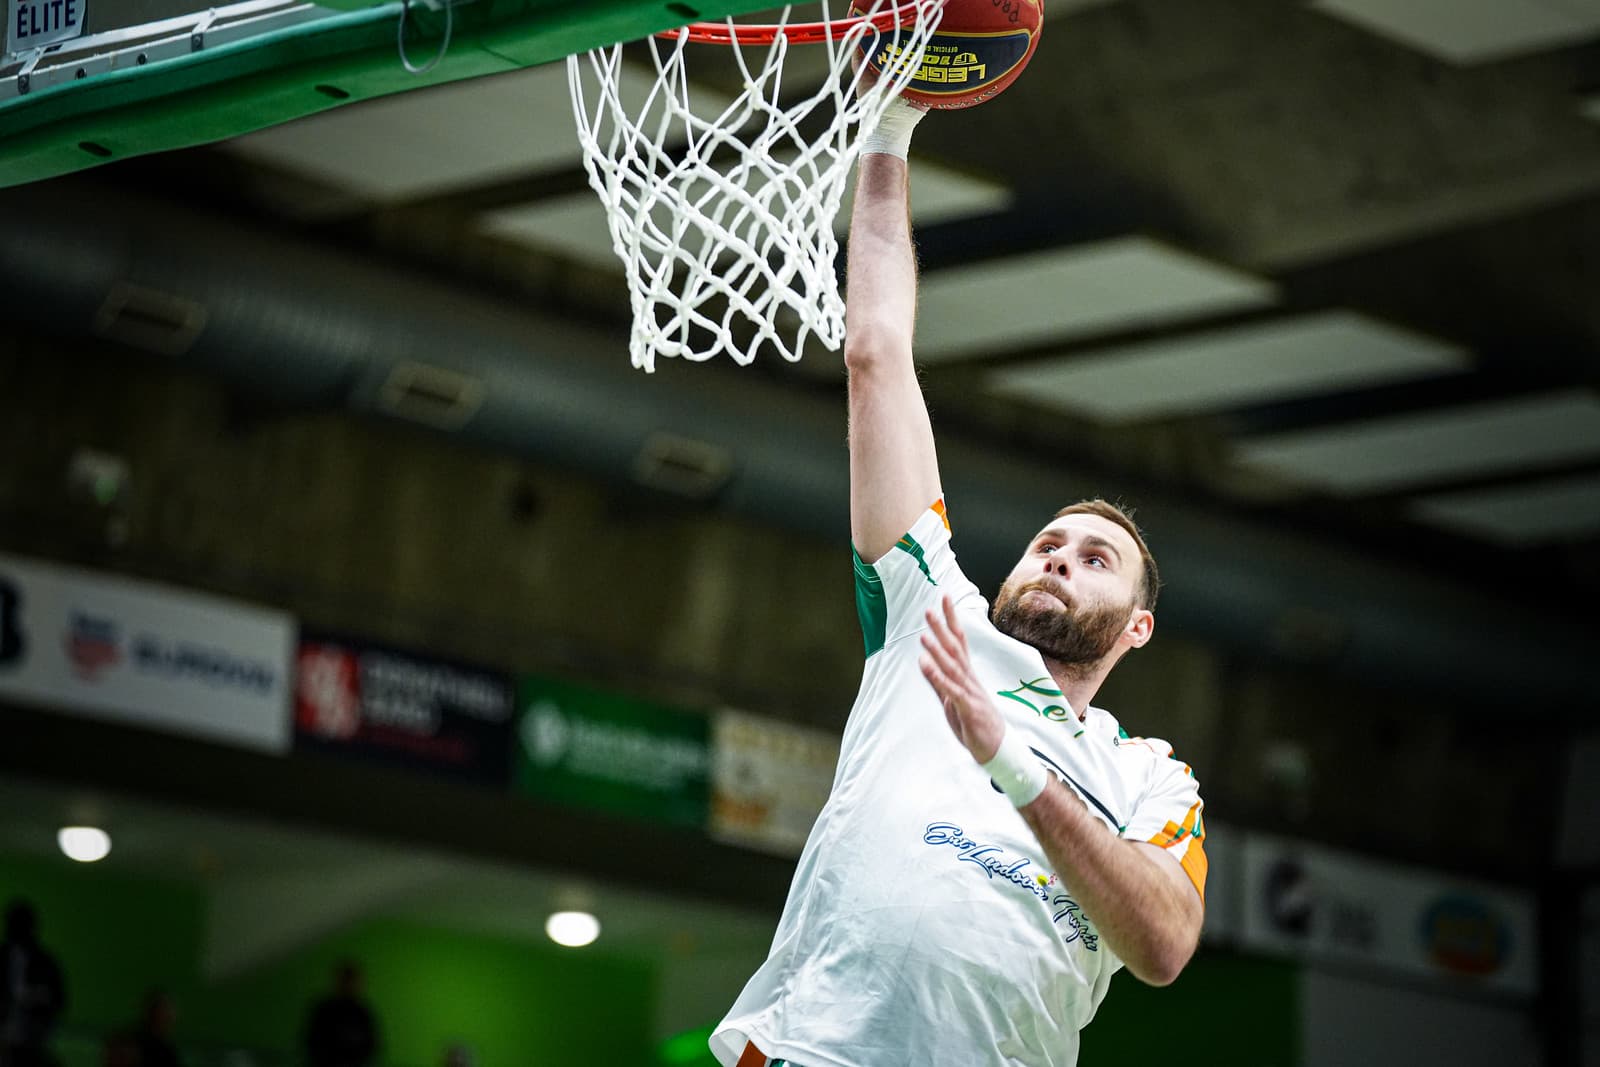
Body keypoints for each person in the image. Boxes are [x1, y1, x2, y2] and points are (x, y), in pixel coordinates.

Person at [709, 99, 1208, 1067]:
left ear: (1135, 629)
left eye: (1094, 557)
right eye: (1047, 542)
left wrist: (1011, 764)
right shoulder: (928, 609)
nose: (1059, 555)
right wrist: (888, 136)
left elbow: (1161, 943)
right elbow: (874, 355)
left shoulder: (1149, 774)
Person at [1, 899, 67, 1067]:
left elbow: (58, 1000)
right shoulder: (3, 957)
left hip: (31, 1038)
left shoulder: (44, 962)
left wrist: (35, 998)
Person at [302, 962, 379, 1067]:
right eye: (346, 981)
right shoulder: (324, 1009)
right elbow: (312, 1041)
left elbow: (372, 1044)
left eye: (352, 981)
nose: (349, 985)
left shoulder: (362, 1012)